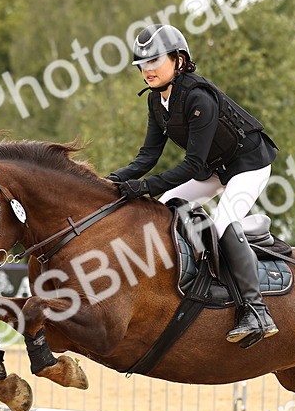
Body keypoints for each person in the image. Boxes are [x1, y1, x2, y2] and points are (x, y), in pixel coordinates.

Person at [107, 24, 280, 347]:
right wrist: (108, 183)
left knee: (224, 221)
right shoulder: (157, 102)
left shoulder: (199, 98)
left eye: (155, 62)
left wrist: (143, 187)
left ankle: (257, 311)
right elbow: (146, 157)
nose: (147, 71)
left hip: (249, 163)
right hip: (214, 167)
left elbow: (193, 166)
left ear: (179, 60)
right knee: (168, 204)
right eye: (142, 65)